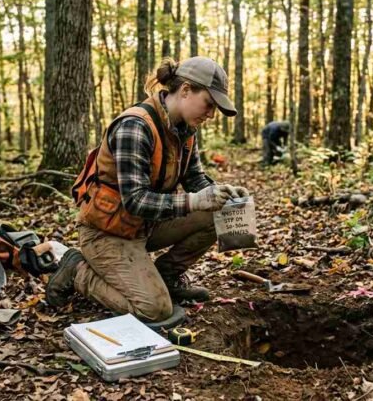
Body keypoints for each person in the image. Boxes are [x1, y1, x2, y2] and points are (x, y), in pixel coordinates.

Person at [46, 57, 250, 323]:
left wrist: (221, 193)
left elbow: (195, 178)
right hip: (108, 232)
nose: (211, 114)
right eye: (209, 104)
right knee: (155, 310)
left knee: (218, 212)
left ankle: (166, 276)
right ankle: (77, 271)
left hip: (146, 226)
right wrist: (195, 201)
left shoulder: (186, 129)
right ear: (186, 90)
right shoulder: (136, 126)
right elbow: (135, 200)